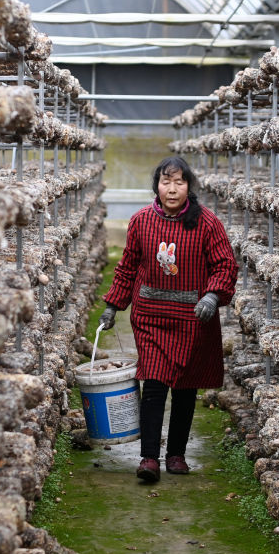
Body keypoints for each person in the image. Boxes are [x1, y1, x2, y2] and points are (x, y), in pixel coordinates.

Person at [100, 156, 238, 483]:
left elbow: (225, 265)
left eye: (179, 182)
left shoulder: (206, 223)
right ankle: (149, 457)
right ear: (157, 186)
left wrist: (212, 295)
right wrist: (113, 305)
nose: (172, 189)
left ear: (189, 187)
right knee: (154, 385)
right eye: (166, 182)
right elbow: (128, 266)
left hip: (192, 319)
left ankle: (176, 454)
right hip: (151, 317)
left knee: (186, 388)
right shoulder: (141, 221)